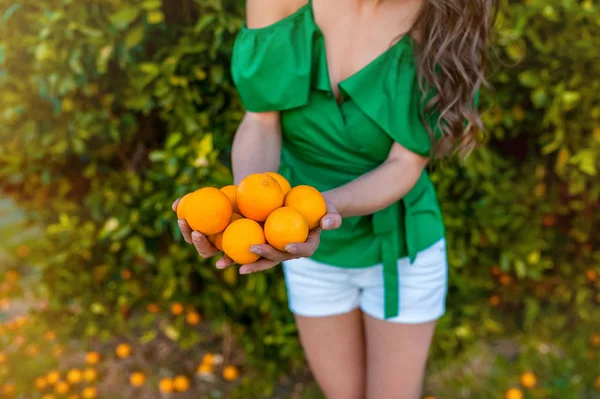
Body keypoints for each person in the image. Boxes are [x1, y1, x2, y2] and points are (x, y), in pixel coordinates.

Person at [173, 0, 494, 397]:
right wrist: (247, 212)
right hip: (309, 252)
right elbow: (261, 120)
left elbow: (404, 166)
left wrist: (320, 210)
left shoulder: (439, 22)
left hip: (401, 251)